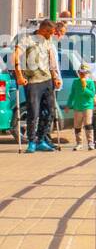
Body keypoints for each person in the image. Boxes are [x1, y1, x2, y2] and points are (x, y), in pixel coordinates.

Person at [15, 20, 59, 152]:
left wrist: (55, 77)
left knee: (50, 112)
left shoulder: (48, 41)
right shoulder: (27, 40)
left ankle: (41, 139)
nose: (51, 36)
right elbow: (16, 56)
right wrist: (19, 76)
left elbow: (51, 60)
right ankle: (32, 142)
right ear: (43, 29)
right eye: (49, 33)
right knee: (33, 112)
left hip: (47, 80)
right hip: (32, 82)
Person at [68, 63, 96, 151]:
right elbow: (72, 94)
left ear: (88, 73)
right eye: (81, 73)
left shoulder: (90, 83)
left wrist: (85, 88)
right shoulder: (76, 82)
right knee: (77, 125)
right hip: (77, 106)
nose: (82, 75)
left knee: (88, 124)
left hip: (87, 106)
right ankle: (79, 143)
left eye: (84, 73)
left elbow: (92, 94)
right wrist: (68, 105)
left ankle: (90, 143)